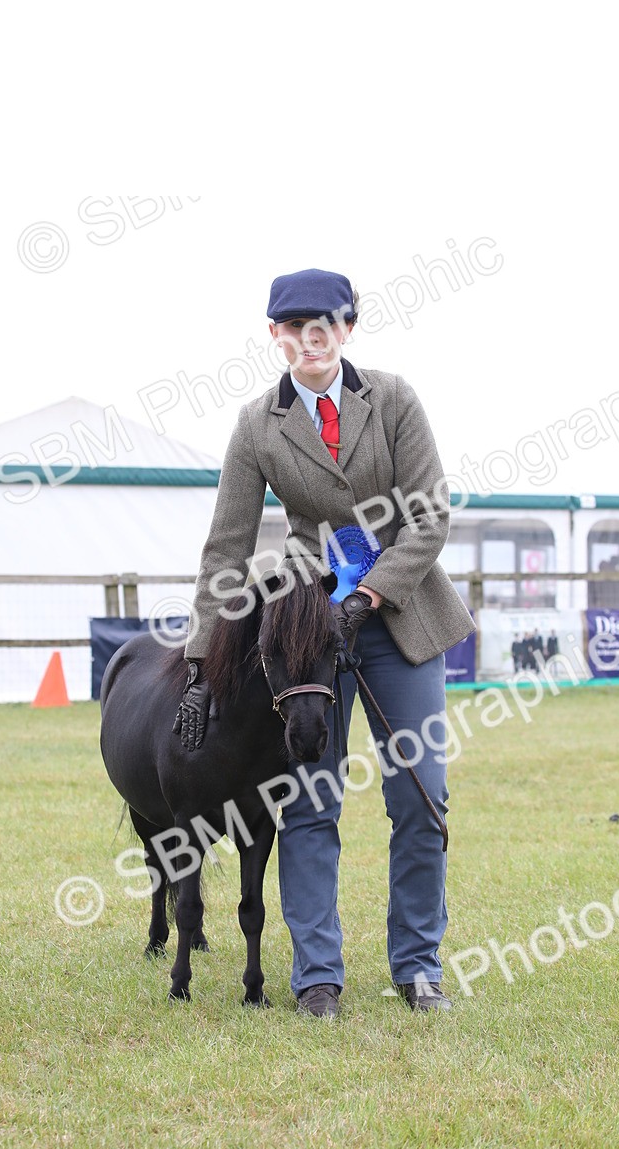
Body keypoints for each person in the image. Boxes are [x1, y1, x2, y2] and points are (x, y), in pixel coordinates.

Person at [180, 268, 474, 1018]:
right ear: (275, 336)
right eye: (294, 327)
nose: (311, 338)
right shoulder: (257, 424)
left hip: (403, 617)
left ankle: (418, 966)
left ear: (346, 328)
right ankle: (318, 976)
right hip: (307, 629)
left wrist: (370, 594)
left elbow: (429, 514)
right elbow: (227, 545)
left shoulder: (394, 398)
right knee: (310, 800)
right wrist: (198, 662)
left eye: (325, 324)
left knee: (421, 795)